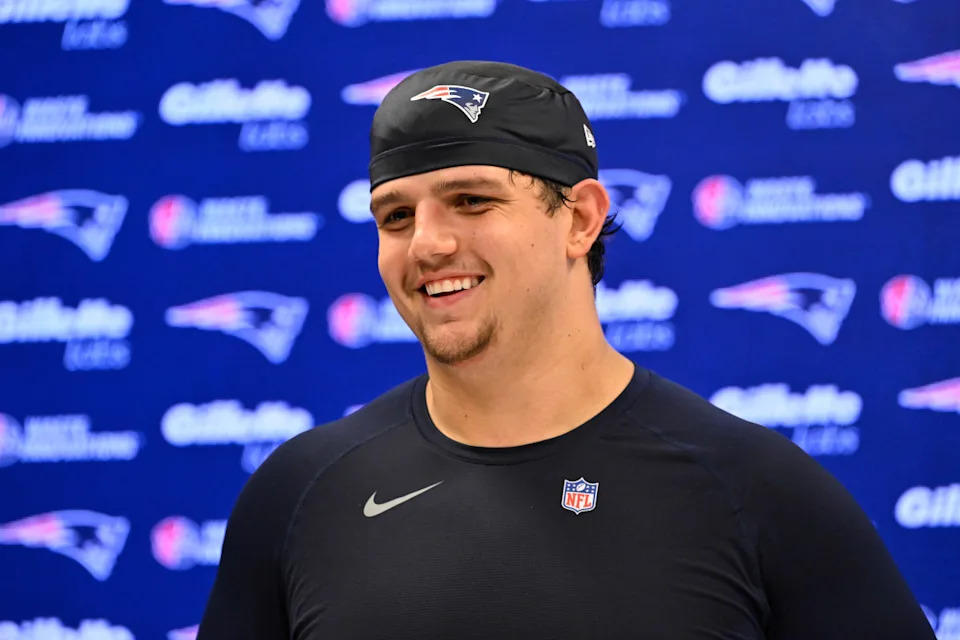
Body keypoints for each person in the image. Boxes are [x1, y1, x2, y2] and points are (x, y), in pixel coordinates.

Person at [197, 61, 935, 639]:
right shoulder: (299, 492)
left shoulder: (752, 489)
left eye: (472, 200)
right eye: (396, 216)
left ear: (579, 218)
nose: (426, 244)